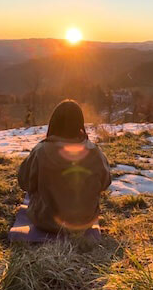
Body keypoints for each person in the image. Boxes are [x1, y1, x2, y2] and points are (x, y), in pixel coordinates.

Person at [18, 100, 111, 233]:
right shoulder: (94, 152)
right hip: (85, 221)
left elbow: (24, 182)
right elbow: (105, 183)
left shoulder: (40, 151)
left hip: (45, 221)